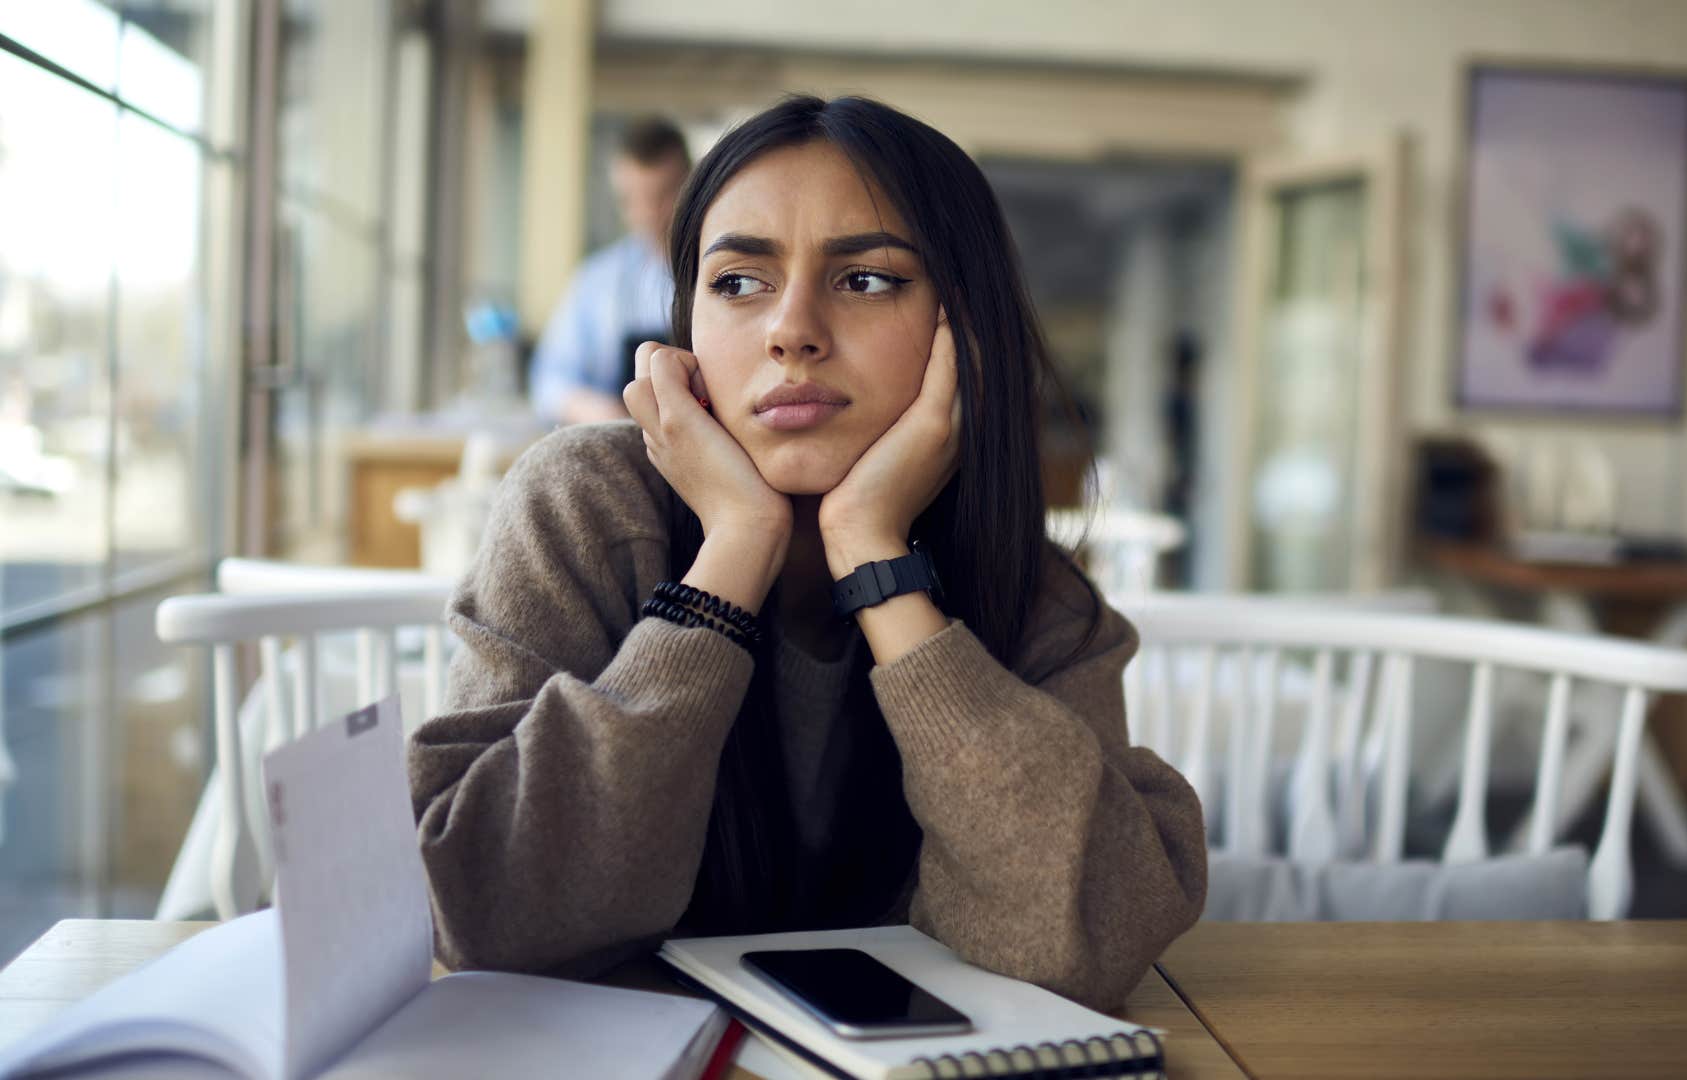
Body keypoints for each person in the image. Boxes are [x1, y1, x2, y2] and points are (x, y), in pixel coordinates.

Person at [407, 95, 1207, 1010]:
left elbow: (1078, 942)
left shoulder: (1029, 588)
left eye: (866, 279)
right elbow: (488, 914)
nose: (791, 331)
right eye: (740, 283)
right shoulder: (582, 504)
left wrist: (874, 556)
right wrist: (734, 552)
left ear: (965, 336)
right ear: (686, 331)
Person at [528, 115, 690, 424]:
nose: (648, 213)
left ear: (691, 185)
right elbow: (549, 382)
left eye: (662, 196)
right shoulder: (596, 280)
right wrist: (604, 415)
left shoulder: (720, 274)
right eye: (632, 200)